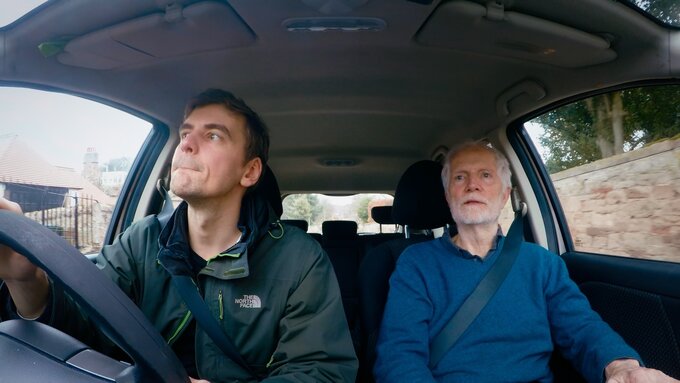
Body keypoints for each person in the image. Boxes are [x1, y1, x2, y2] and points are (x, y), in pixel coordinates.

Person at [0, 89, 358, 382]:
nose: (186, 145)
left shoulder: (299, 259)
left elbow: (322, 373)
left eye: (213, 135)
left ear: (249, 171)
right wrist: (27, 279)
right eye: (186, 133)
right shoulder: (141, 241)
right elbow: (86, 327)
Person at [373, 141, 679, 383]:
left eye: (485, 175)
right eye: (460, 177)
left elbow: (581, 328)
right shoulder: (416, 263)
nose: (472, 185)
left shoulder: (542, 264)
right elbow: (399, 356)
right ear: (448, 195)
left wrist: (621, 367)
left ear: (505, 194)